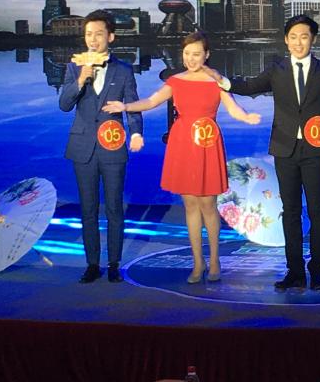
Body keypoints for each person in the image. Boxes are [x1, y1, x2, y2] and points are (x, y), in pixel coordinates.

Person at [206, 15, 320, 291]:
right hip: (284, 148)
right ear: (286, 40)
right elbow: (250, 87)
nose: (299, 42)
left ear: (313, 39)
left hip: (315, 148)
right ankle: (295, 271)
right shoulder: (276, 69)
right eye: (294, 37)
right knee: (290, 211)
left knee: (317, 209)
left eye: (304, 37)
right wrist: (223, 82)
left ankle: (317, 271)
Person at [103, 31, 260, 283]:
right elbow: (151, 102)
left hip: (207, 142)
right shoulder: (176, 81)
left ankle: (215, 260)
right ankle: (198, 263)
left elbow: (233, 108)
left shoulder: (216, 81)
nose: (191, 59)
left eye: (196, 54)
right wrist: (125, 106)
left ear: (206, 55)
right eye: (187, 54)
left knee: (208, 205)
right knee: (190, 205)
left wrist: (246, 117)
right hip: (183, 143)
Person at [59, 10, 144, 284]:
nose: (93, 39)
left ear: (111, 37)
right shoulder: (74, 67)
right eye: (88, 34)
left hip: (112, 145)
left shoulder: (124, 70)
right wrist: (80, 79)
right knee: (88, 209)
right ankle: (92, 264)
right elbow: (64, 105)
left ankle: (114, 263)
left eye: (98, 34)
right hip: (82, 147)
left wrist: (136, 133)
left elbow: (132, 106)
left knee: (114, 208)